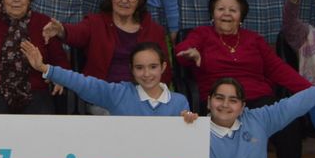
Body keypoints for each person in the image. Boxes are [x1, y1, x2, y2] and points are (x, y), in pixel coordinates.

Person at [175, 0, 314, 158]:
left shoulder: (254, 39)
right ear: (213, 13)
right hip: (221, 103)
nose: (227, 14)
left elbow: (279, 69)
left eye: (233, 9)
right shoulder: (202, 35)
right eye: (221, 9)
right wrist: (191, 53)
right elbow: (182, 52)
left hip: (259, 102)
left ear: (241, 16)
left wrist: (313, 93)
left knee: (290, 126)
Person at [40, 0, 169, 112]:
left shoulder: (154, 30)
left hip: (142, 95)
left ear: (140, 1)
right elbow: (76, 33)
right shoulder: (96, 22)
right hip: (103, 96)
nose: (124, 0)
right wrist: (61, 30)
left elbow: (164, 71)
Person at [30, 37, 193, 118]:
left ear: (163, 67)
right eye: (139, 68)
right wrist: (45, 68)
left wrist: (191, 124)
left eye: (153, 67)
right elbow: (83, 83)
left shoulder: (179, 102)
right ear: (131, 70)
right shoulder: (118, 94)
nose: (146, 74)